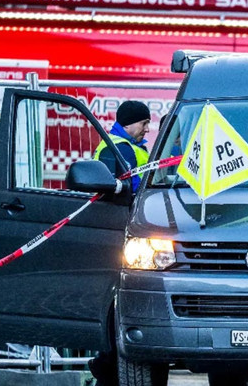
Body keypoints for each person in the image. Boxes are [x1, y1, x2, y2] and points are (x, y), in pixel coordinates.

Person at [89, 100, 150, 386]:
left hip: (127, 230)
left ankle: (107, 367)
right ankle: (106, 368)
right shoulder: (118, 148)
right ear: (129, 123)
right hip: (117, 230)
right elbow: (129, 185)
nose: (147, 129)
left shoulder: (130, 145)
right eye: (143, 123)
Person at [93, 100, 151, 192]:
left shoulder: (123, 144)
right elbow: (133, 188)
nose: (147, 129)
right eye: (144, 123)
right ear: (127, 124)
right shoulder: (122, 148)